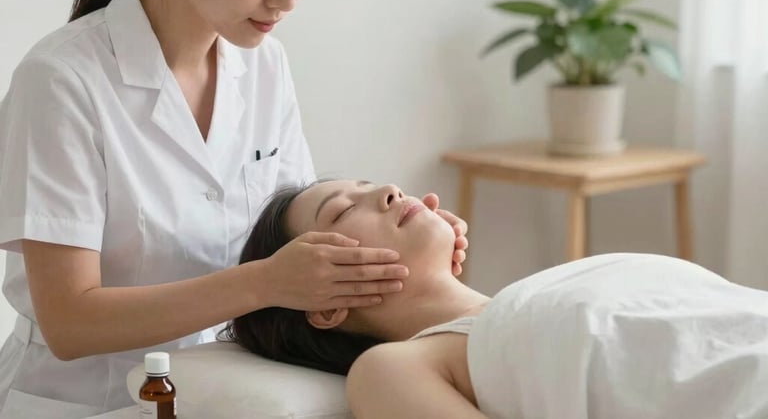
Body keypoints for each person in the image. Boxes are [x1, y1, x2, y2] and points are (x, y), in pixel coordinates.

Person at [0, 0, 469, 417]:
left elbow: (293, 234)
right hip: (84, 400)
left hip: (214, 388)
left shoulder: (265, 64)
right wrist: (264, 283)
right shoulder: (62, 81)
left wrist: (410, 244)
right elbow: (69, 324)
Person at [227, 179, 768, 419]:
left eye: (371, 184)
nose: (389, 191)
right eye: (344, 210)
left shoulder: (534, 299)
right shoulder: (392, 369)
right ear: (324, 304)